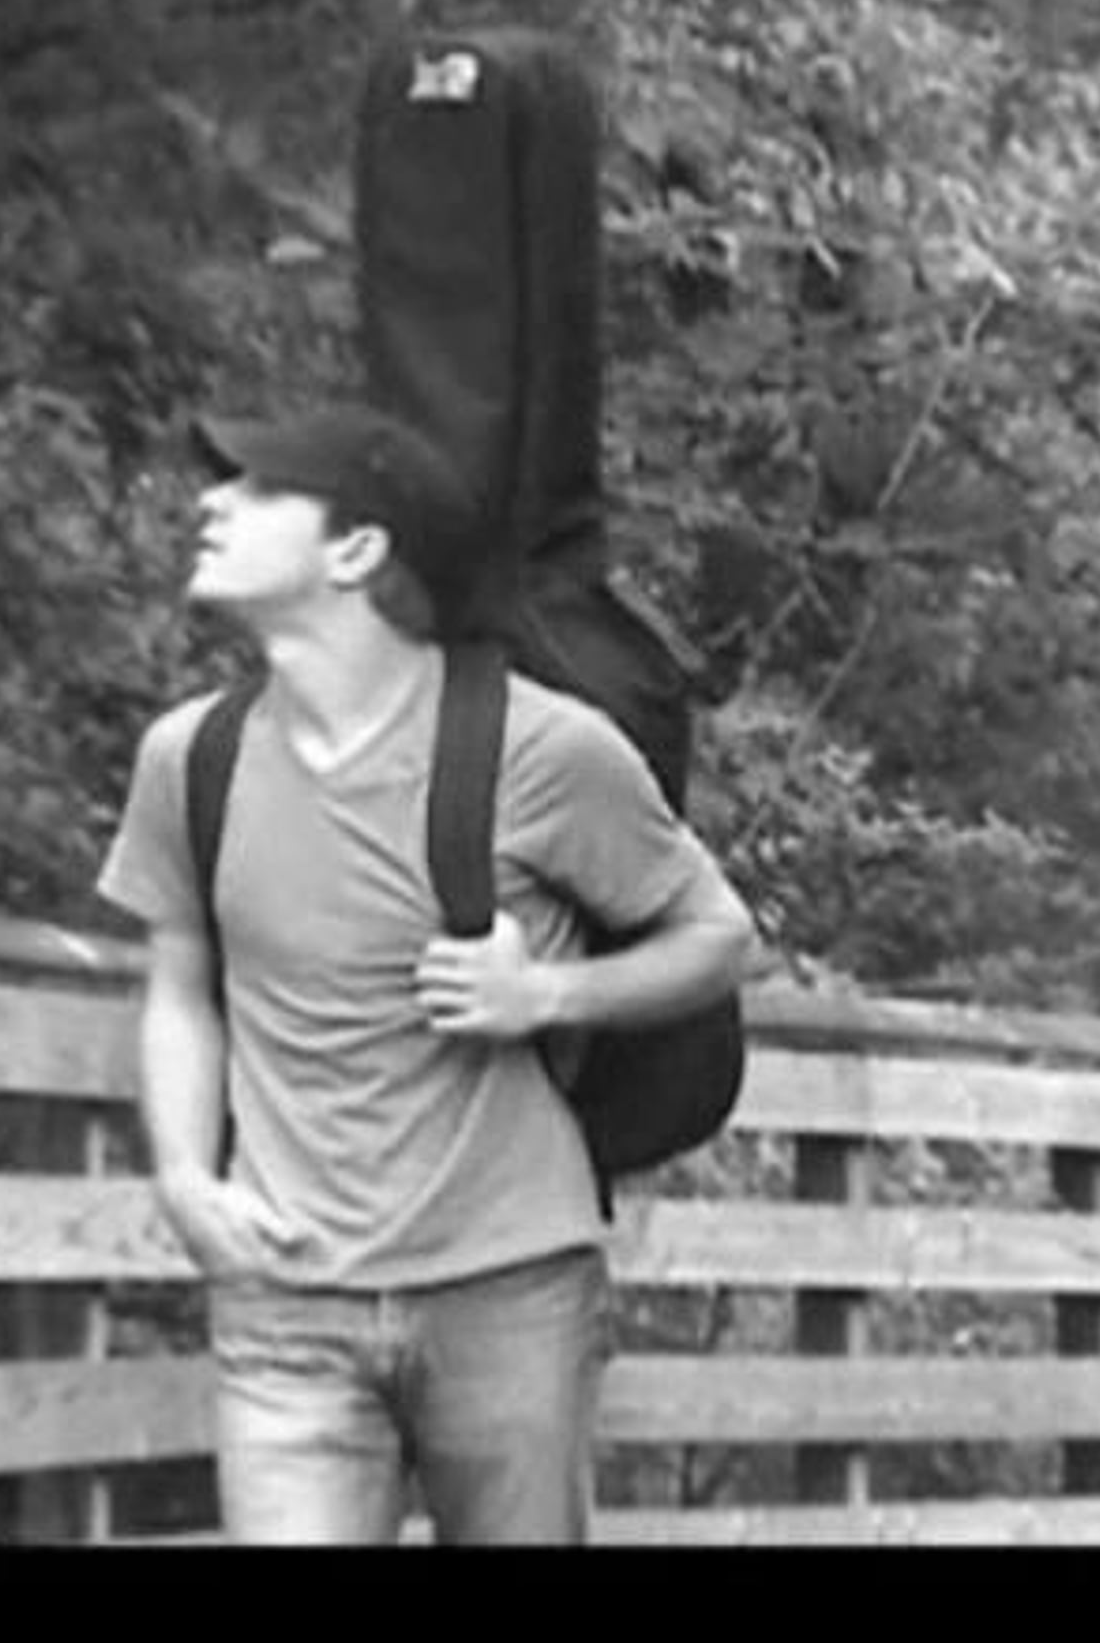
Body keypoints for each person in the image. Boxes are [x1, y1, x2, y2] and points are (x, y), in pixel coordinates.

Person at [95, 402, 757, 1545]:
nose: (212, 504)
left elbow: (718, 935)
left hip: (509, 1288)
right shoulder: (190, 758)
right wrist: (185, 1181)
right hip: (285, 1293)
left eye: (259, 488)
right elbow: (180, 985)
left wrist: (547, 996)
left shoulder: (541, 748)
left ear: (357, 550)